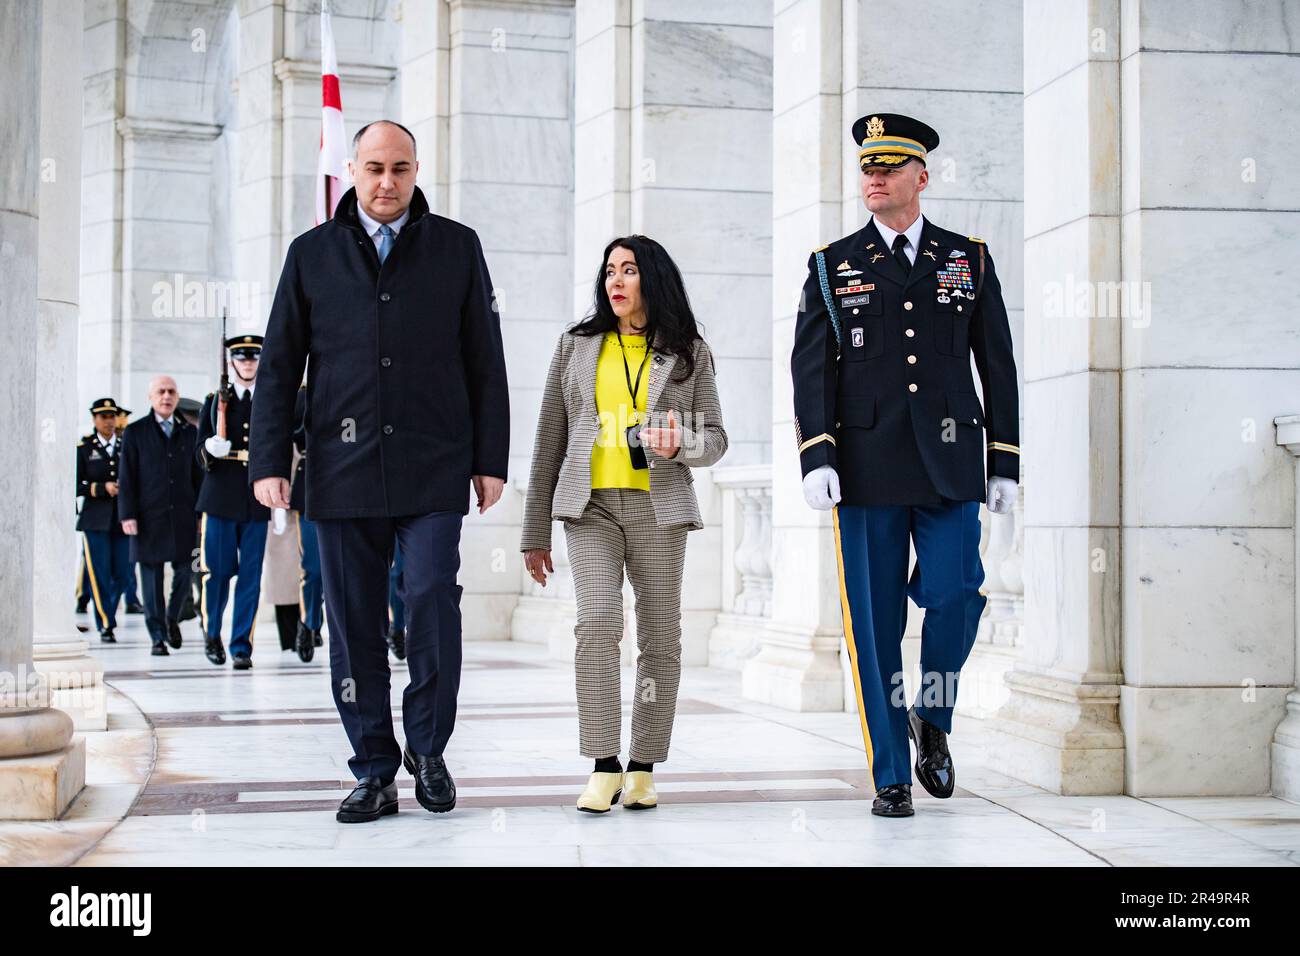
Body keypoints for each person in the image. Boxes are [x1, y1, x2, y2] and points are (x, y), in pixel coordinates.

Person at [251, 119, 510, 824]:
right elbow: (278, 363)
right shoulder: (311, 255)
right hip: (340, 469)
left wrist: (490, 459)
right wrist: (269, 458)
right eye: (374, 169)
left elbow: (484, 358)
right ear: (353, 172)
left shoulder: (457, 248)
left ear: (417, 169)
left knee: (430, 598)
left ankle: (429, 750)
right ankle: (372, 768)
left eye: (400, 168)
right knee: (353, 621)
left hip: (434, 464)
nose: (387, 183)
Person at [791, 113, 1020, 818]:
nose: (875, 178)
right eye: (867, 168)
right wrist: (816, 454)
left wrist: (1004, 459)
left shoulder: (968, 259)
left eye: (890, 168)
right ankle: (891, 772)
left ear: (922, 176)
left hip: (951, 463)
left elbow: (998, 363)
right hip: (865, 467)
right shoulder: (834, 263)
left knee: (958, 593)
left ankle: (934, 715)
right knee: (873, 623)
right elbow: (810, 366)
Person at [521, 235, 728, 813]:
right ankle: (603, 763)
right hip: (590, 507)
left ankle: (643, 764)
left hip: (659, 509)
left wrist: (679, 441)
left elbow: (715, 439)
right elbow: (549, 441)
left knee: (661, 635)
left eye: (629, 270)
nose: (616, 280)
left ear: (651, 280)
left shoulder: (688, 353)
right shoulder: (577, 346)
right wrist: (534, 531)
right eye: (610, 270)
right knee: (596, 621)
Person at [196, 334, 272, 670]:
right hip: (221, 496)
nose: (248, 364)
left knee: (251, 577)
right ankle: (212, 633)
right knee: (218, 572)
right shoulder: (215, 402)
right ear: (232, 363)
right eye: (241, 359)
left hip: (257, 497)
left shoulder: (270, 401)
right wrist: (211, 449)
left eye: (253, 358)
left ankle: (242, 645)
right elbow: (199, 454)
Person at [118, 376, 203, 655]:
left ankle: (171, 618)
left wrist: (201, 512)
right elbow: (127, 476)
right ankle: (156, 636)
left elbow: (197, 476)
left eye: (171, 392)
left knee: (185, 571)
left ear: (177, 397)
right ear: (151, 397)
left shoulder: (189, 433)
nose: (166, 396)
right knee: (151, 579)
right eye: (161, 392)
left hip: (183, 515)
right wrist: (127, 514)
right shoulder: (135, 432)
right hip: (147, 516)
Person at [76, 398, 133, 642]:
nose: (108, 421)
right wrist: (101, 488)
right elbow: (75, 484)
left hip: (121, 519)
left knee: (121, 573)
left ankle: (108, 612)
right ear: (95, 419)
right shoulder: (84, 449)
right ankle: (105, 622)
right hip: (95, 521)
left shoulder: (125, 446)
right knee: (98, 572)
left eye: (112, 416)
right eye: (103, 416)